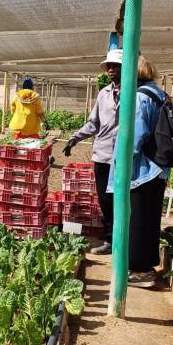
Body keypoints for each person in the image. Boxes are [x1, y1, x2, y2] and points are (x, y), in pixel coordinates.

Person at [107, 56, 169, 288]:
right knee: (149, 219)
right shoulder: (157, 92)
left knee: (138, 220)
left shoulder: (141, 96)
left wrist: (121, 164)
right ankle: (146, 267)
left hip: (143, 170)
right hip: (156, 169)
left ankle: (140, 271)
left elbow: (134, 136)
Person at [63, 49, 122, 255]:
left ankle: (122, 240)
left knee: (122, 200)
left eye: (116, 66)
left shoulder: (135, 93)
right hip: (103, 155)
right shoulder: (104, 93)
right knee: (105, 200)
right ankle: (109, 239)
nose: (111, 70)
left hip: (125, 158)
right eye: (109, 67)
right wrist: (75, 138)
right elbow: (93, 123)